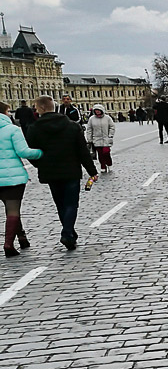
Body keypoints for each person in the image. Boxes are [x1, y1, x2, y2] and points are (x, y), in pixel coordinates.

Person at [26, 95, 98, 250]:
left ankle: (69, 233)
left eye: (36, 107)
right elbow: (83, 151)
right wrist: (92, 171)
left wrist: (40, 164)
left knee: (60, 204)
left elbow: (31, 153)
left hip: (50, 172)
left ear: (42, 108)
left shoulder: (34, 128)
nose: (35, 110)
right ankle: (67, 233)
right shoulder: (72, 126)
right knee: (71, 204)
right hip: (71, 170)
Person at [0, 101, 42, 256]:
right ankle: (8, 244)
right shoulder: (12, 130)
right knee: (12, 210)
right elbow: (23, 152)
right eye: (8, 111)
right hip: (12, 178)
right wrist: (40, 153)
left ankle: (22, 237)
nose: (10, 114)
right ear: (4, 113)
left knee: (12, 210)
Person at [85, 104, 115, 174]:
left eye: (98, 110)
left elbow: (112, 127)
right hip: (96, 139)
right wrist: (89, 139)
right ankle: (103, 166)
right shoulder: (92, 119)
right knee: (100, 154)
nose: (97, 112)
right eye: (96, 111)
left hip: (106, 138)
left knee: (106, 152)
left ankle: (109, 163)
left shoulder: (107, 118)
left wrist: (110, 135)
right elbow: (89, 129)